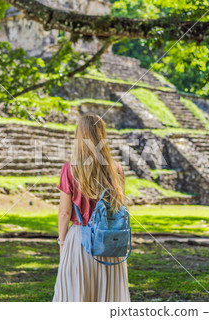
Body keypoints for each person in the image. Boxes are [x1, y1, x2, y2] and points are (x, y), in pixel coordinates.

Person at [52, 114, 131, 302]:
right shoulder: (116, 169)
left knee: (77, 294)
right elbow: (118, 207)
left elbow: (64, 212)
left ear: (79, 136)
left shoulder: (70, 169)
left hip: (80, 240)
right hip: (109, 241)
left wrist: (62, 244)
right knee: (108, 296)